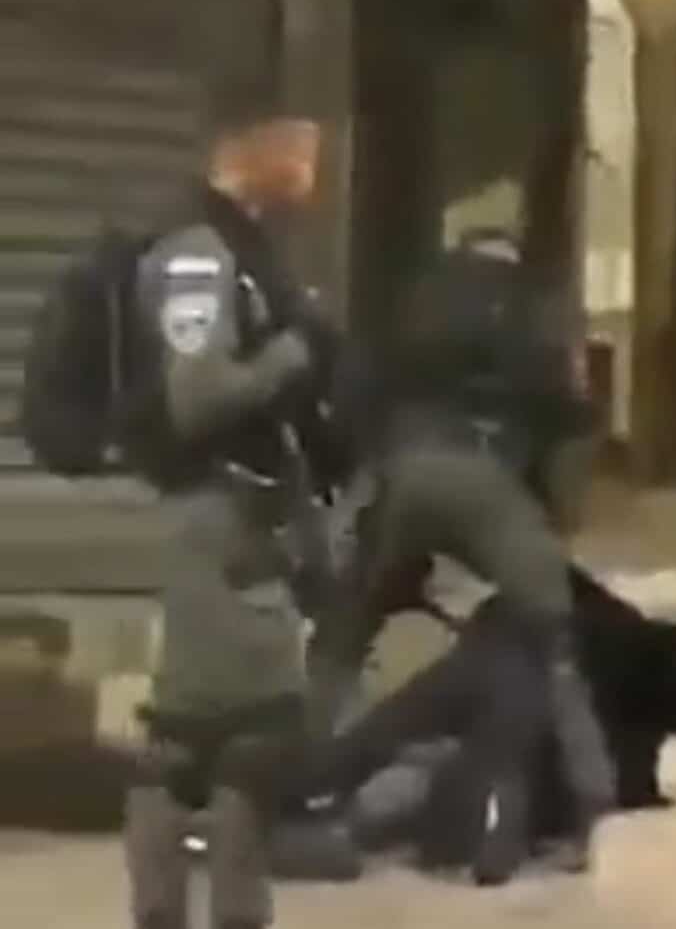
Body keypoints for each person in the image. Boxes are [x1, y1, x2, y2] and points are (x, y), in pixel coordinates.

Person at [309, 224, 616, 870]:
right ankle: (594, 812)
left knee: (344, 635)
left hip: (407, 468)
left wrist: (367, 478)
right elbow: (570, 420)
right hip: (489, 479)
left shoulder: (413, 300)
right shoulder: (535, 311)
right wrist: (548, 521)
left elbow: (351, 392)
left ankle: (308, 789)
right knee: (555, 643)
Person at [114, 97, 345, 929]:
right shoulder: (198, 255)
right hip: (215, 520)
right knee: (217, 737)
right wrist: (294, 350)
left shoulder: (244, 247)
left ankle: (208, 912)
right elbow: (199, 398)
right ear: (249, 148)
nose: (314, 166)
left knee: (229, 736)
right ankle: (179, 912)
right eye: (302, 144)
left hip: (245, 517)